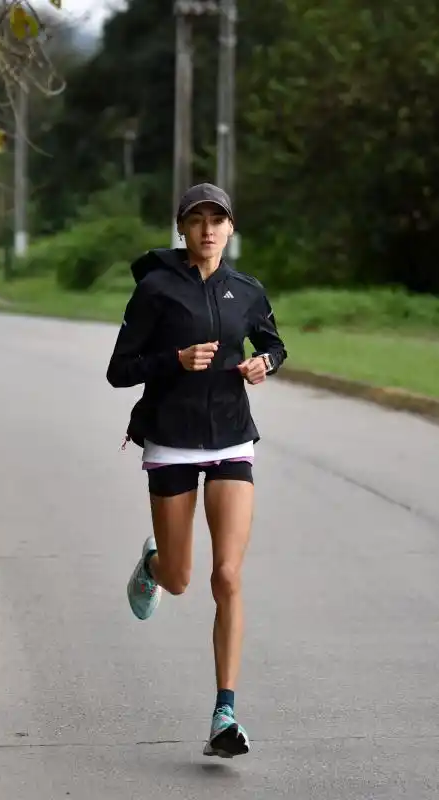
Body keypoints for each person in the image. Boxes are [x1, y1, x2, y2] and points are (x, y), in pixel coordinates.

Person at [106, 182, 287, 759]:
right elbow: (119, 370)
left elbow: (273, 344)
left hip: (233, 438)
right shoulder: (156, 290)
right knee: (182, 579)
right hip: (173, 441)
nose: (208, 229)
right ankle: (154, 562)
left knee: (227, 576)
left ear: (231, 229)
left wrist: (265, 363)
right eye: (197, 220)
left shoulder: (247, 291)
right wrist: (174, 361)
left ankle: (225, 713)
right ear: (181, 230)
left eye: (218, 220)